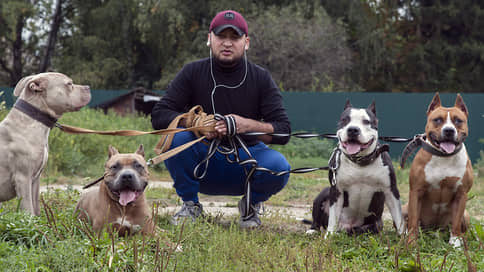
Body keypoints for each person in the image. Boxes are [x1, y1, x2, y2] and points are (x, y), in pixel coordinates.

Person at [151, 10, 291, 228]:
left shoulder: (261, 77)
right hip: (204, 162)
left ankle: (250, 206)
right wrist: (196, 123)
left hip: (245, 160)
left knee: (279, 166)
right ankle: (190, 205)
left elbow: (283, 131)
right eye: (220, 36)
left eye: (234, 37)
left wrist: (246, 125)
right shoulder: (192, 71)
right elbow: (159, 115)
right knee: (175, 140)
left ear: (246, 42)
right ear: (209, 39)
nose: (227, 43)